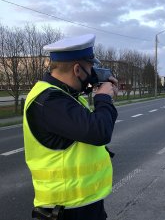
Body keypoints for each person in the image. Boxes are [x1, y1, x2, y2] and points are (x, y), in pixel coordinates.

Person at [23, 34, 118, 220]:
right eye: (90, 67)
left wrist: (104, 97)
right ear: (77, 69)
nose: (93, 72)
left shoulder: (66, 96)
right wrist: (103, 98)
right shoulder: (49, 101)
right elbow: (100, 131)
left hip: (82, 205)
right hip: (65, 210)